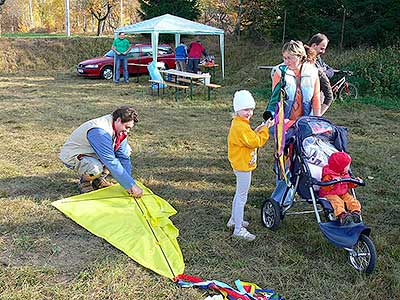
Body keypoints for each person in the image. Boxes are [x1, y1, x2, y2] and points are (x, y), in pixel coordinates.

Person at [263, 40, 321, 205]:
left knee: (303, 159)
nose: (286, 61)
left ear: (300, 56)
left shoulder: (312, 72)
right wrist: (273, 119)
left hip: (304, 123)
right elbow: (275, 99)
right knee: (284, 160)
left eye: (289, 58)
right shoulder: (279, 72)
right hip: (284, 124)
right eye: (284, 57)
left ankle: (296, 191)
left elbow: (316, 97)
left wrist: (317, 120)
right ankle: (281, 200)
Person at [60, 105, 143, 197]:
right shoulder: (100, 131)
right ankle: (85, 182)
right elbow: (110, 161)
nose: (127, 131)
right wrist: (131, 185)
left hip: (93, 152)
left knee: (127, 151)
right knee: (95, 168)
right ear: (119, 120)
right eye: (127, 127)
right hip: (73, 154)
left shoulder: (119, 129)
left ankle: (98, 180)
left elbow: (123, 157)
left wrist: (128, 183)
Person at [227, 90, 274, 241]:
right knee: (242, 197)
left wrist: (261, 127)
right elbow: (256, 141)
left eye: (251, 109)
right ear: (237, 109)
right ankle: (238, 229)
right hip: (243, 166)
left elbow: (250, 136)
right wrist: (266, 129)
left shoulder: (240, 123)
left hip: (240, 163)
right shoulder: (240, 127)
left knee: (238, 194)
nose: (249, 113)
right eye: (246, 109)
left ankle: (234, 220)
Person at [319, 152, 362, 225]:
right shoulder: (328, 175)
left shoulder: (345, 174)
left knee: (351, 200)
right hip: (330, 194)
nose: (349, 167)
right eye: (347, 166)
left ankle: (356, 212)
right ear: (340, 168)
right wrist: (333, 182)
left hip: (343, 193)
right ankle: (342, 215)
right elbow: (325, 187)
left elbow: (349, 184)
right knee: (337, 202)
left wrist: (355, 182)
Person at [309, 33, 337, 115]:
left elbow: (330, 70)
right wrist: (322, 73)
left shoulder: (318, 58)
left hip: (318, 96)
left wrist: (323, 73)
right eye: (322, 49)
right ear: (314, 45)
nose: (323, 52)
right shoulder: (305, 59)